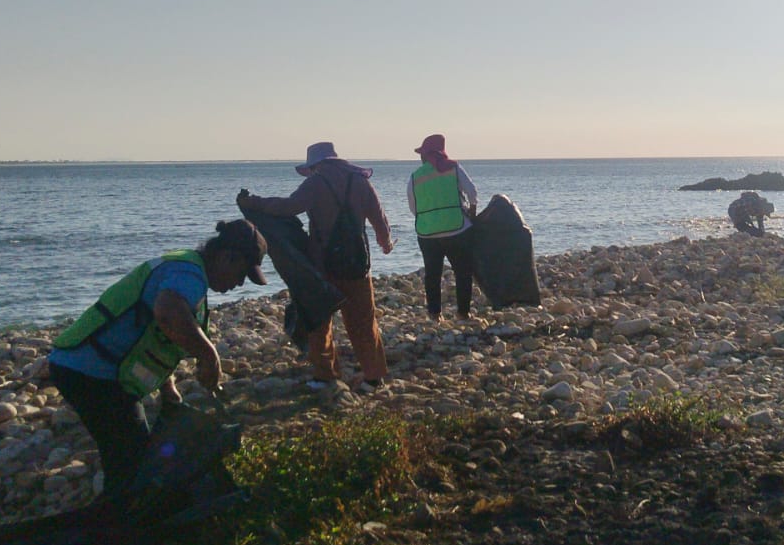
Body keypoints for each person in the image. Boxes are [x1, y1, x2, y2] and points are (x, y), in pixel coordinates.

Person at [46, 219, 267, 494]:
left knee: (130, 451)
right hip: (90, 372)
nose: (240, 283)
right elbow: (168, 313)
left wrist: (168, 386)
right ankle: (119, 522)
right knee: (132, 460)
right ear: (226, 257)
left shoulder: (188, 272)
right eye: (242, 273)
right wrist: (209, 356)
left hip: (89, 369)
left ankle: (120, 509)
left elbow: (159, 334)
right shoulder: (189, 275)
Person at [238, 141, 394, 388]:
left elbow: (287, 208)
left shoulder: (316, 183)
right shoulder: (360, 181)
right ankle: (374, 377)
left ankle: (326, 375)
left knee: (319, 321)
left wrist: (254, 203)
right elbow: (379, 217)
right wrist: (385, 242)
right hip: (358, 264)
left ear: (316, 165)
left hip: (322, 266)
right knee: (364, 321)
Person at [407, 133, 481, 321]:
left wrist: (431, 218)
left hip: (427, 232)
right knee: (463, 272)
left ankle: (434, 314)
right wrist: (471, 213)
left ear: (425, 155)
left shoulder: (415, 177)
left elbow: (413, 207)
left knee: (432, 274)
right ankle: (463, 313)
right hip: (457, 229)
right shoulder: (453, 168)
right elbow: (472, 193)